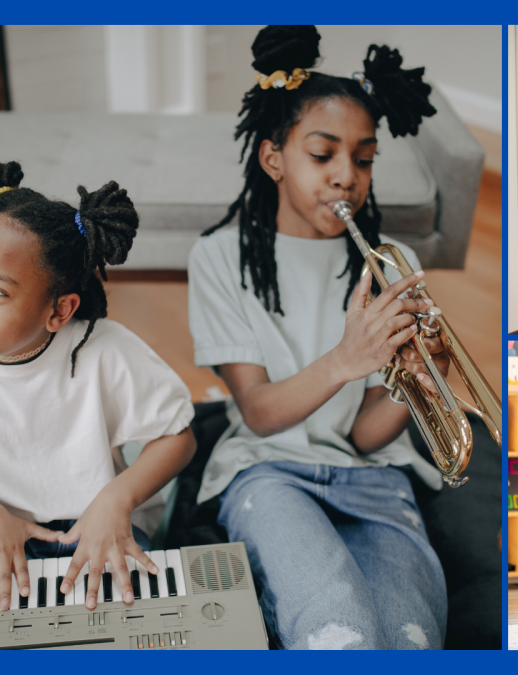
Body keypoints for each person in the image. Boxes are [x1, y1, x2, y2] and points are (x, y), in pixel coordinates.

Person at [188, 26, 449, 649]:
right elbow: (259, 413)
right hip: (268, 469)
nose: (345, 177)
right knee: (341, 633)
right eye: (323, 154)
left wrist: (414, 376)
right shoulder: (221, 258)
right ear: (273, 157)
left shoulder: (393, 262)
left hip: (376, 476)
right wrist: (346, 358)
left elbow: (362, 433)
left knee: (410, 640)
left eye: (362, 159)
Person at [0, 158, 196, 613]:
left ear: (60, 311)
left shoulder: (106, 350)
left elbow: (178, 437)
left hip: (97, 525)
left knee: (132, 628)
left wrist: (116, 501)